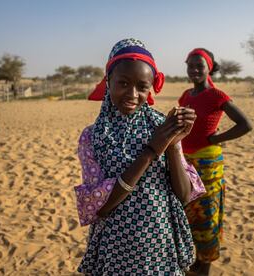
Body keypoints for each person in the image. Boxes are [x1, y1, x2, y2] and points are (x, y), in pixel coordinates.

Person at [74, 38, 206, 275]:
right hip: (115, 250)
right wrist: (151, 151)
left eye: (142, 87)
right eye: (123, 83)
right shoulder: (92, 137)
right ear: (108, 83)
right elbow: (100, 208)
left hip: (161, 246)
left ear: (151, 87)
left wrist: (174, 144)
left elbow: (184, 195)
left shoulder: (162, 125)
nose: (133, 94)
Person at [179, 48, 252, 275]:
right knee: (187, 211)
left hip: (208, 163)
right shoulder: (185, 95)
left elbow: (245, 124)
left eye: (199, 65)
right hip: (185, 160)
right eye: (190, 65)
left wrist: (217, 138)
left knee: (207, 213)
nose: (194, 70)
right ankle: (196, 260)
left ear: (209, 67)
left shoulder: (217, 95)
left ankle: (206, 265)